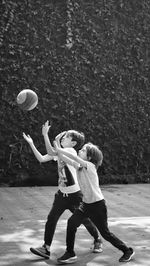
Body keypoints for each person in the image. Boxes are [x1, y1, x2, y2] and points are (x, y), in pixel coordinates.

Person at [23, 122, 102, 260]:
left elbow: (52, 152)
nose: (62, 137)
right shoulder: (60, 152)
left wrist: (45, 135)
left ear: (73, 143)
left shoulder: (71, 152)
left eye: (66, 137)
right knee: (51, 219)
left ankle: (97, 239)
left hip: (75, 195)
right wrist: (31, 143)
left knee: (85, 220)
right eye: (63, 136)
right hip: (61, 194)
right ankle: (46, 248)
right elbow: (42, 158)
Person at [54, 142, 135, 263]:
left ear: (89, 157)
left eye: (83, 150)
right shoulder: (79, 166)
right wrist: (57, 150)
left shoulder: (90, 166)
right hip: (85, 205)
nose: (80, 151)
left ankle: (127, 251)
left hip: (97, 206)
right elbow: (67, 159)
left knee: (105, 234)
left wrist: (59, 149)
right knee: (71, 223)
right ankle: (70, 253)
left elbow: (74, 157)